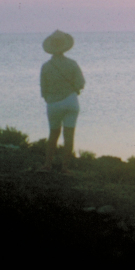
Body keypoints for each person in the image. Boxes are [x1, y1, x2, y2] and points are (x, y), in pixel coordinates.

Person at [40, 30, 85, 172]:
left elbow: (43, 89)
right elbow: (81, 83)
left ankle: (48, 165)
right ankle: (65, 167)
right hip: (71, 101)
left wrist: (50, 98)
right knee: (69, 135)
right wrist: (73, 91)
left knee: (53, 134)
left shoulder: (46, 66)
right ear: (65, 47)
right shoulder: (72, 64)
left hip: (53, 103)